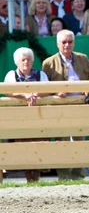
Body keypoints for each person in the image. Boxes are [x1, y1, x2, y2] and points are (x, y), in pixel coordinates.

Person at [42, 29, 89, 180]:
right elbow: (44, 87)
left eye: (70, 42)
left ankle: (78, 175)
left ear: (74, 43)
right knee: (61, 142)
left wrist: (88, 89)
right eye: (64, 42)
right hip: (60, 109)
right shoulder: (49, 63)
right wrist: (55, 93)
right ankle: (63, 176)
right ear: (57, 44)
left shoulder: (83, 58)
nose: (67, 45)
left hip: (80, 106)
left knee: (80, 142)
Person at [3, 47, 49, 182]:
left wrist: (36, 94)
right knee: (22, 146)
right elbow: (8, 92)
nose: (26, 62)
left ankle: (36, 178)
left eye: (28, 60)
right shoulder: (12, 75)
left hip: (38, 117)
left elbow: (47, 90)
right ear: (17, 62)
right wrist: (25, 94)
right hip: (18, 118)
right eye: (23, 60)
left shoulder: (41, 75)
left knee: (38, 145)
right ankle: (27, 177)